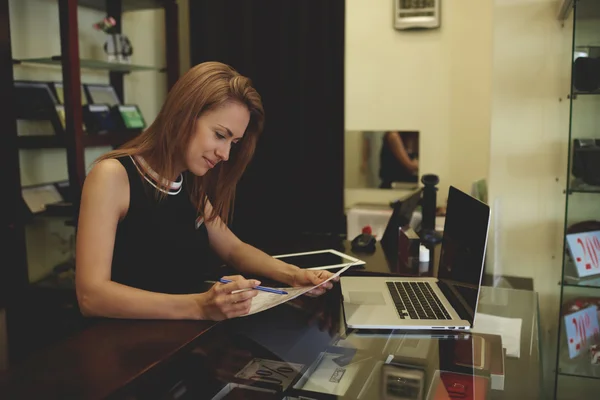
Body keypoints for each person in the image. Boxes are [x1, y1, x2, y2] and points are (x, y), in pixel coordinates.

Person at [75, 61, 337, 322]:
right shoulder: (112, 175)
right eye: (220, 135)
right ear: (183, 115)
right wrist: (201, 306)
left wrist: (295, 275)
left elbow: (234, 249)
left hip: (179, 339)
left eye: (233, 142)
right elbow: (91, 296)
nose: (225, 154)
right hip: (125, 349)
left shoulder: (189, 182)